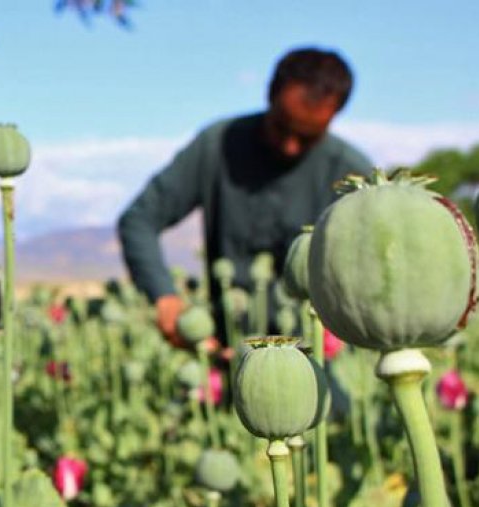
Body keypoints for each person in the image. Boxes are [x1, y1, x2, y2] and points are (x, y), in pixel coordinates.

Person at [118, 47, 373, 346]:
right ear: (269, 95)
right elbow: (139, 219)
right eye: (282, 127)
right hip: (227, 348)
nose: (290, 147)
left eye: (307, 138)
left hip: (313, 356)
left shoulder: (350, 173)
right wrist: (165, 296)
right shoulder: (218, 146)